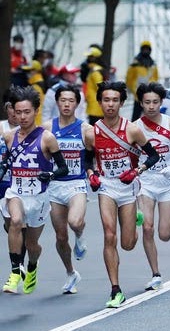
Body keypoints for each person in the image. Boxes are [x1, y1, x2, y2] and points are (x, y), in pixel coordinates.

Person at [85, 80, 159, 308]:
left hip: (127, 188)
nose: (110, 105)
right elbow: (86, 157)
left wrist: (137, 170)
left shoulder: (133, 130)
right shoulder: (91, 132)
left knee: (127, 244)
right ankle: (115, 289)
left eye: (115, 100)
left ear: (122, 103)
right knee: (109, 235)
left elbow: (153, 156)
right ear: (99, 103)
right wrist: (91, 173)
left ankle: (134, 222)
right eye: (106, 100)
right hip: (106, 186)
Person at [0, 86, 69, 294]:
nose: (22, 116)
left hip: (38, 197)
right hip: (16, 192)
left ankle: (32, 266)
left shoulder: (47, 138)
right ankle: (14, 271)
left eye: (26, 112)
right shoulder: (10, 137)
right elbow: (6, 163)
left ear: (36, 111)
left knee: (32, 245)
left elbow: (63, 168)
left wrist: (51, 175)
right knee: (15, 222)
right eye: (18, 112)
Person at [135, 82, 170, 291]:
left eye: (155, 102)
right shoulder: (135, 127)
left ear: (161, 103)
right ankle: (156, 273)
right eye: (147, 102)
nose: (151, 106)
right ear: (141, 103)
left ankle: (156, 270)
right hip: (145, 182)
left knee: (165, 234)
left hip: (167, 182)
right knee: (147, 227)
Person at [42, 85, 94, 294]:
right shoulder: (47, 127)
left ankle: (80, 235)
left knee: (75, 222)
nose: (66, 104)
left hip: (76, 183)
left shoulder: (85, 129)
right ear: (57, 102)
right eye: (63, 100)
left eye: (71, 100)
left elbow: (92, 156)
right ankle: (71, 273)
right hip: (54, 186)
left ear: (77, 103)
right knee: (61, 236)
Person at [126, 40, 159, 121]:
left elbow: (156, 78)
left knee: (150, 117)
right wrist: (133, 90)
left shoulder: (153, 65)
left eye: (147, 49)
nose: (146, 51)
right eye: (144, 49)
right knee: (136, 117)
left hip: (150, 94)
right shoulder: (135, 64)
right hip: (138, 94)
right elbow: (129, 78)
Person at [83, 46, 106, 125]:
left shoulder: (95, 71)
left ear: (94, 58)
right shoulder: (92, 70)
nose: (87, 59)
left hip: (96, 107)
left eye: (89, 57)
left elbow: (100, 88)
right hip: (93, 105)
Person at [20, 61, 47, 125]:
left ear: (35, 71)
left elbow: (36, 107)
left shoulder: (36, 86)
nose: (27, 74)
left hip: (37, 122)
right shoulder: (41, 82)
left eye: (29, 71)